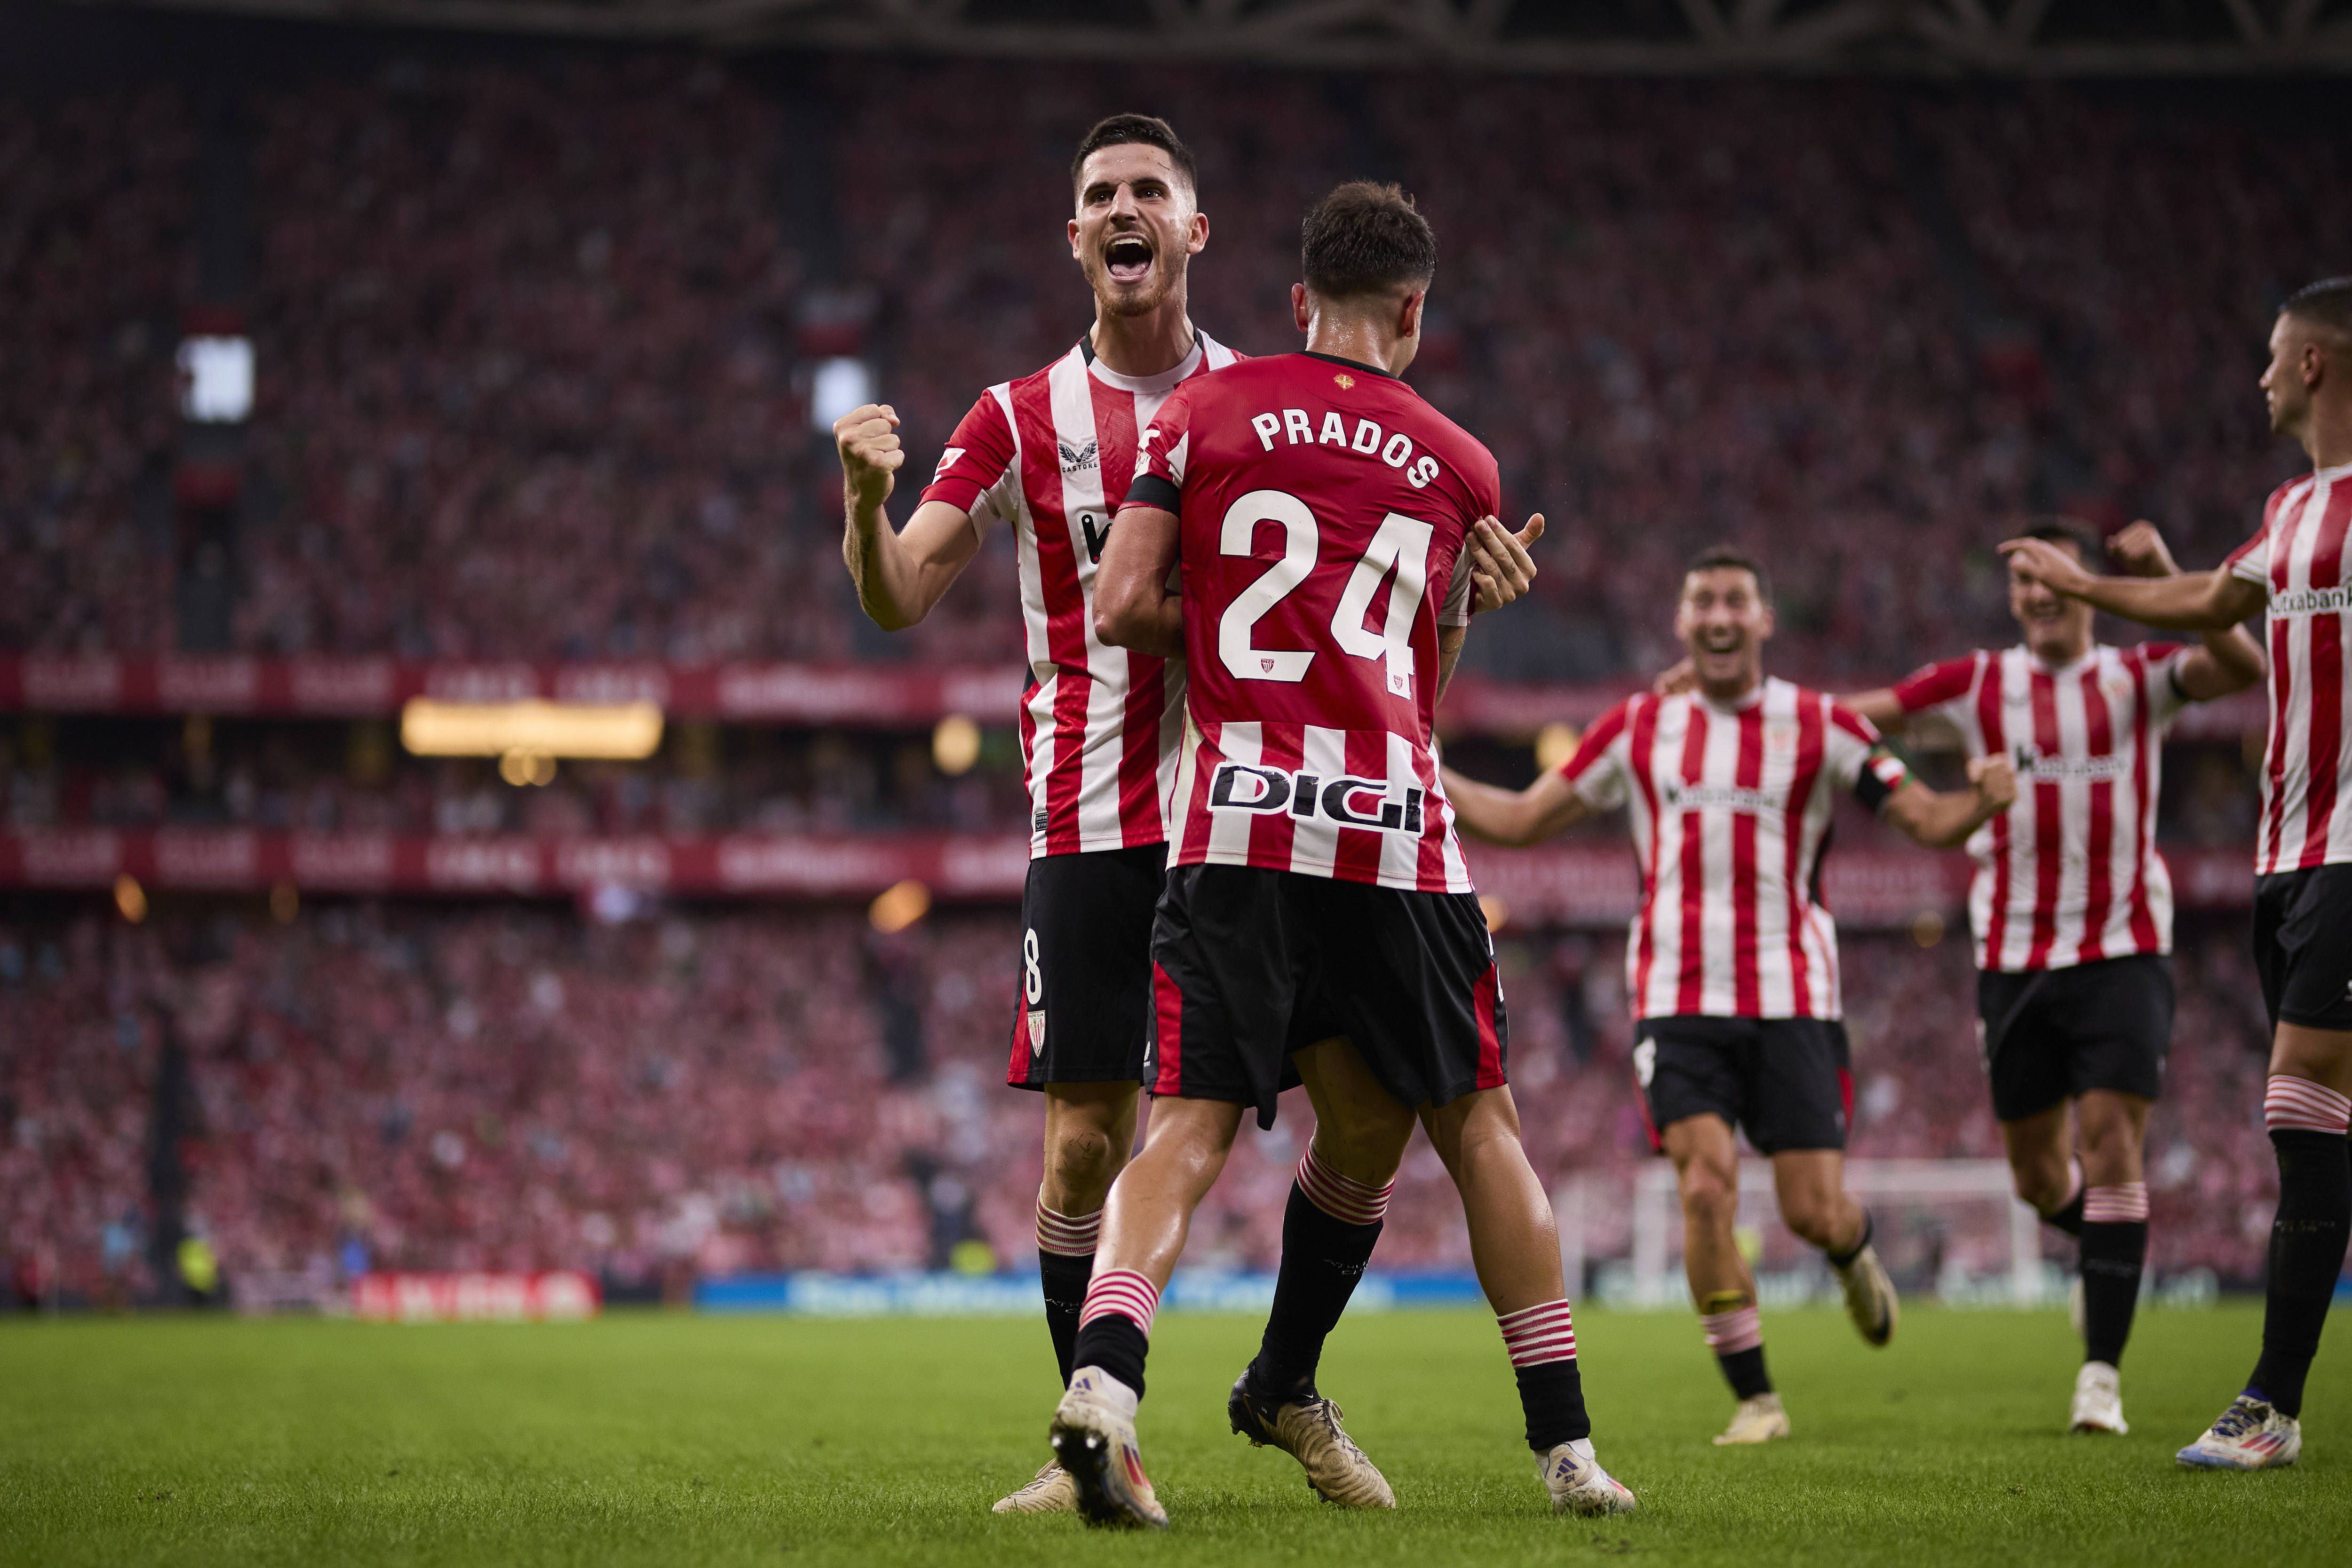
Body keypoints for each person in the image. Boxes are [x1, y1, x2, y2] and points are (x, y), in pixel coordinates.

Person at [833, 117, 1540, 1515]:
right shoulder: (1015, 418)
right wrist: (864, 507)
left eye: (1150, 188)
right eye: (1101, 192)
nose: (1125, 207)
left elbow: (1376, 630)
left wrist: (1463, 589)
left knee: (1365, 1123)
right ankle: (1093, 1442)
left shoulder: (1267, 405)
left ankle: (1288, 1383)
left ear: (1194, 230)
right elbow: (900, 592)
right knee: (1085, 1141)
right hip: (1092, 819)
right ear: (1075, 237)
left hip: (1261, 818)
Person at [1060, 181, 1635, 1529]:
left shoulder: (1203, 410)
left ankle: (1110, 1382)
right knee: (1477, 1126)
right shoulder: (1463, 462)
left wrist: (1244, 634)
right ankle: (1566, 1449)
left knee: (1194, 1128)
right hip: (1392, 832)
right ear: (1415, 310)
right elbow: (1419, 697)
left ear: (1297, 299)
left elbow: (1121, 603)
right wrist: (1449, 613)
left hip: (1239, 816)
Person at [1443, 545, 2017, 1446]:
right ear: (1681, 620)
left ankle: (1851, 1246)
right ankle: (1757, 1397)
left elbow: (1926, 819)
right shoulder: (1639, 726)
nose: (1717, 615)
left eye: (1734, 600)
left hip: (1796, 1001)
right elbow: (1521, 818)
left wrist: (1980, 801)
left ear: (1762, 618)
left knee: (1812, 1209)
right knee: (1704, 1189)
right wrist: (1419, 767)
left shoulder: (1822, 724)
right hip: (1675, 1001)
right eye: (1702, 599)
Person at [2000, 276, 2352, 1472]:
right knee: (2311, 1111)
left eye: (2271, 355)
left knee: (2299, 1105)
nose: (2258, 375)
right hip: (2285, 854)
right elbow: (2208, 597)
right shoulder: (2290, 510)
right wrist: (2087, 584)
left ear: (2312, 364)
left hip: (2348, 851)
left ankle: (2271, 1402)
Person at [1838, 517, 2263, 1436]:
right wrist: (1740, 712)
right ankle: (2112, 1248)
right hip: (2012, 957)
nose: (2035, 594)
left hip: (2122, 947)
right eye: (2021, 581)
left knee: (2112, 1147)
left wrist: (2167, 573)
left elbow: (2243, 665)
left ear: (2083, 584)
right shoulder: (1976, 683)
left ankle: (2099, 1378)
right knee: (2038, 1177)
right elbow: (1846, 718)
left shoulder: (2136, 674)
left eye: (2050, 576)